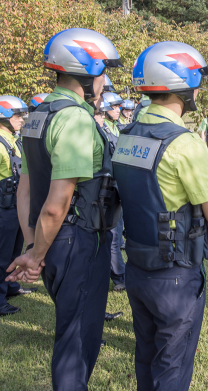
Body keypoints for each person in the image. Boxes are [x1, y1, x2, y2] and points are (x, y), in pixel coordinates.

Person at [6, 28, 123, 390]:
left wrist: (32, 247)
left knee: (72, 328)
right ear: (87, 71)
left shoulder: (39, 115)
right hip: (79, 241)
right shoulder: (74, 119)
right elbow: (57, 205)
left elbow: (27, 188)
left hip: (53, 243)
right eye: (103, 71)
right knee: (77, 341)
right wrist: (35, 254)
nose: (105, 81)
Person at [113, 41, 208, 390]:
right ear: (185, 85)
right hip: (175, 276)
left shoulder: (126, 136)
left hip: (137, 268)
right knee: (172, 367)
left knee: (147, 358)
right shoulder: (184, 143)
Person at [0, 96, 36, 317]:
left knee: (14, 250)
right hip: (3, 208)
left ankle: (11, 287)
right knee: (2, 255)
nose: (21, 119)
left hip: (14, 205)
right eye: (17, 115)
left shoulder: (12, 139)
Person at [96, 94, 126, 293]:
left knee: (117, 232)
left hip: (117, 186)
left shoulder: (115, 127)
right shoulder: (102, 129)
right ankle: (119, 277)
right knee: (112, 237)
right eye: (114, 107)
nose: (119, 110)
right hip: (106, 188)